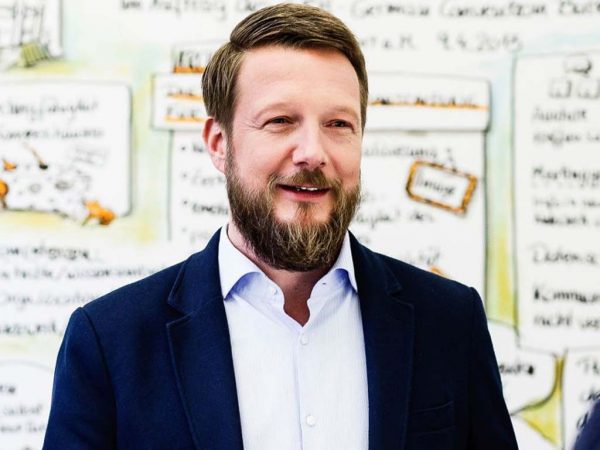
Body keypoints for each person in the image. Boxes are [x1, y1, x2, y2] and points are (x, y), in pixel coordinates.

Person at [43, 3, 517, 449]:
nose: (312, 152)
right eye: (281, 120)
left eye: (338, 124)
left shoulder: (449, 323)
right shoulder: (110, 341)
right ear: (219, 143)